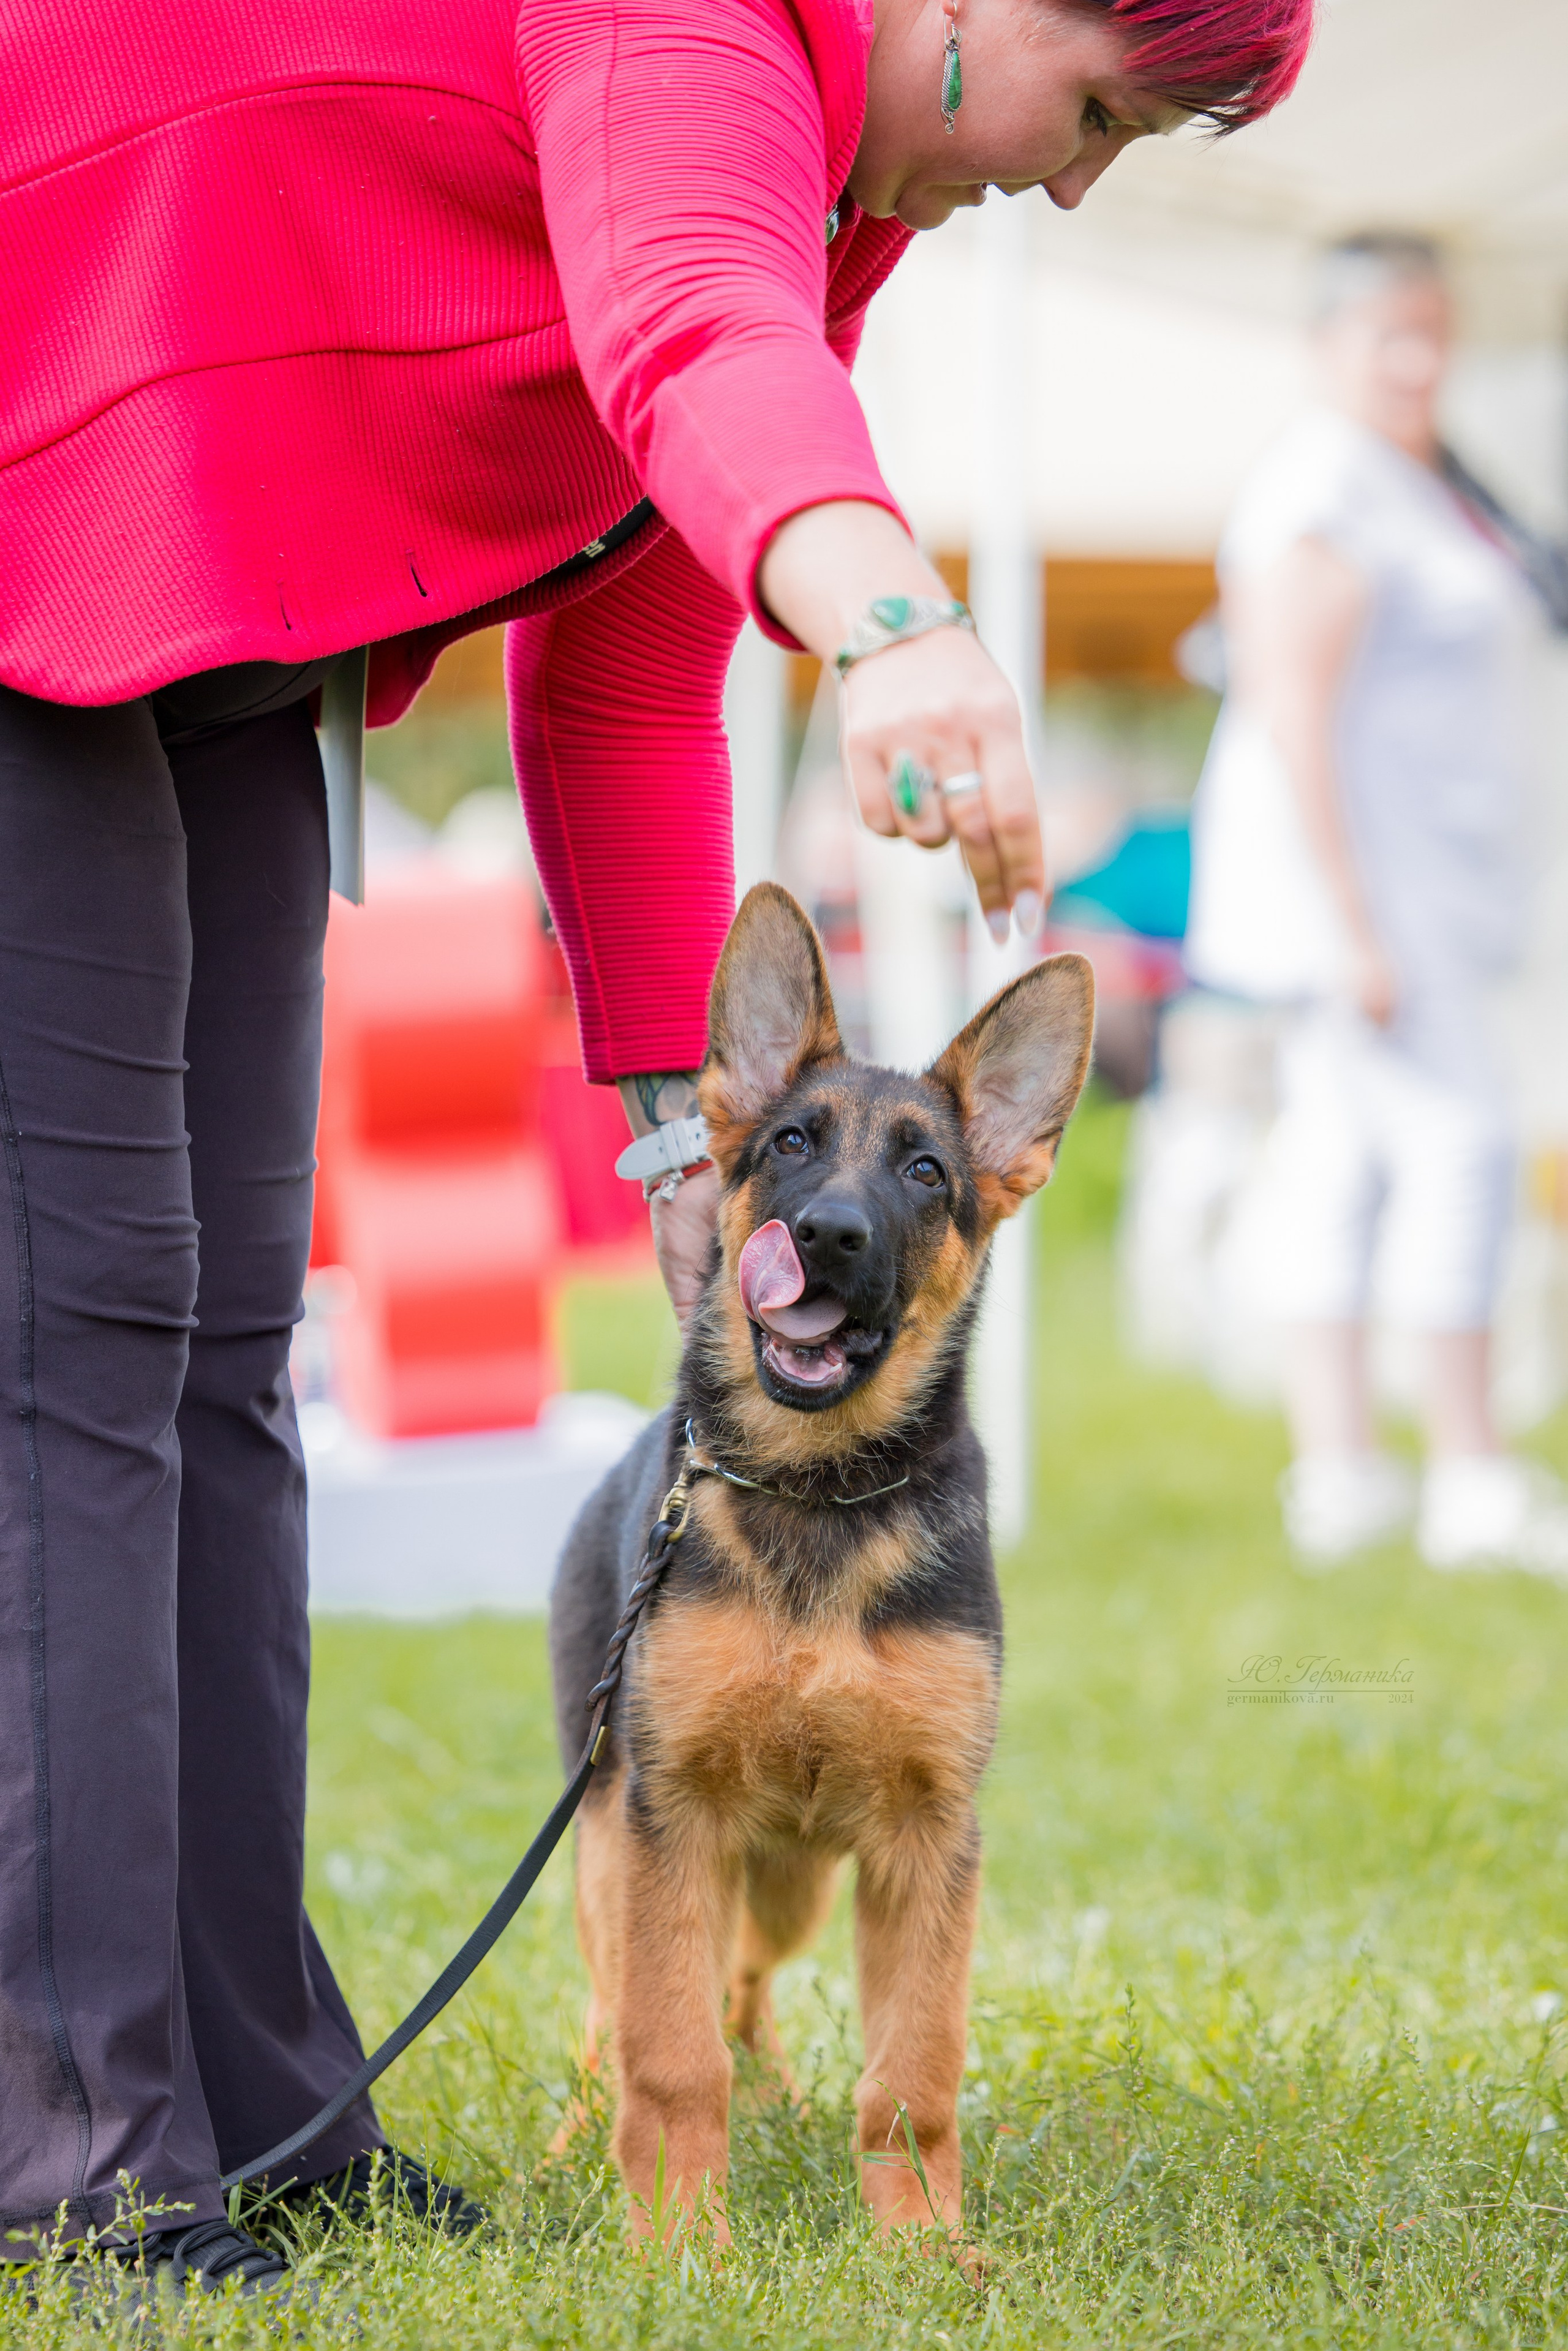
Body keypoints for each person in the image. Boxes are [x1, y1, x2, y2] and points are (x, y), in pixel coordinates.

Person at [0, 0, 1311, 2291]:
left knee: (223, 1335)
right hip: (42, 438)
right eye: (1095, 103)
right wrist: (896, 620)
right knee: (82, 1342)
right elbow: (685, 322)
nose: (1079, 176)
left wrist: (660, 1118)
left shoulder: (827, 222)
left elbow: (620, 653)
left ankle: (264, 2098)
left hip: (192, 553)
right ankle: (87, 2153)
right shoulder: (701, 36)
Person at [1185, 233, 1568, 1573]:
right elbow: (1292, 712)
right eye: (1388, 332)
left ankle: (1339, 1474)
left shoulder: (1427, 479)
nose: (1417, 358)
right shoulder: (1321, 489)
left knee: (1339, 1164)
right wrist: (1350, 922)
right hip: (1369, 896)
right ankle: (1467, 1474)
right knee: (1457, 1148)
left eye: (1432, 331)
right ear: (1328, 339)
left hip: (1436, 885)